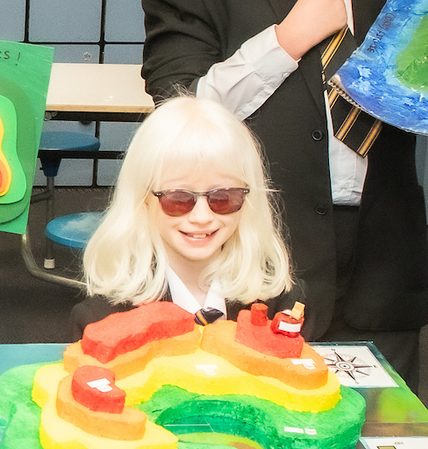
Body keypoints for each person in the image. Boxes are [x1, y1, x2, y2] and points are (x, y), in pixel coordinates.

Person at [140, 0, 428, 388]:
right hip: (263, 249)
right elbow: (180, 112)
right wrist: (289, 38)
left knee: (385, 431)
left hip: (383, 244)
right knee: (261, 433)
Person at [71, 96, 293, 334]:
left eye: (223, 198)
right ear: (142, 199)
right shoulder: (102, 320)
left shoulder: (283, 307)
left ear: (249, 199)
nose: (201, 217)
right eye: (178, 199)